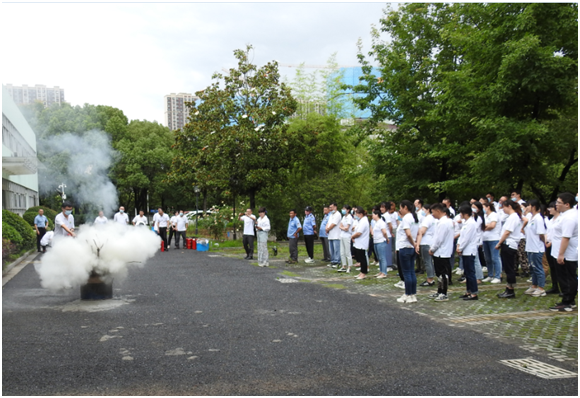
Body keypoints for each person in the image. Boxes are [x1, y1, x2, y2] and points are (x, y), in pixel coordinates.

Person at [550, 193, 578, 311]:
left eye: (559, 203)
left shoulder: (569, 217)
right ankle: (568, 299)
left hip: (567, 253)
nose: (556, 205)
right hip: (558, 251)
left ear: (567, 204)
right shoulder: (564, 215)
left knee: (567, 277)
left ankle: (568, 300)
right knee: (562, 277)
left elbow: (566, 237)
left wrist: (561, 254)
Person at [495, 200, 524, 298]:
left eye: (504, 207)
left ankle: (510, 290)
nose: (503, 209)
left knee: (509, 268)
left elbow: (507, 232)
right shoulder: (512, 217)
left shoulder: (513, 217)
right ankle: (508, 288)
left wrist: (499, 243)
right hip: (508, 244)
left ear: (509, 206)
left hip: (509, 244)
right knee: (507, 267)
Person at [428, 203, 454, 301]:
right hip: (442, 251)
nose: (432, 214)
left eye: (433, 212)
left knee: (443, 273)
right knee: (439, 273)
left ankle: (444, 293)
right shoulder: (447, 222)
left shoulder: (443, 223)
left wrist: (432, 248)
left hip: (442, 251)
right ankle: (439, 291)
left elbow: (439, 239)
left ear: (438, 211)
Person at [396, 200, 420, 303]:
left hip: (405, 247)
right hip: (412, 248)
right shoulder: (415, 217)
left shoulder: (406, 218)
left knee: (406, 273)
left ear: (405, 207)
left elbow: (408, 234)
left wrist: (414, 243)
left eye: (401, 208)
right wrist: (416, 245)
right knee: (411, 272)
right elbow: (418, 233)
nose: (400, 210)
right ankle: (412, 294)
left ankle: (408, 294)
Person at [523, 200, 547, 297]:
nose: (526, 208)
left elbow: (541, 234)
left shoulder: (538, 218)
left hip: (537, 247)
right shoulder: (531, 217)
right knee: (532, 268)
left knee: (538, 268)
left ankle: (541, 288)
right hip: (530, 247)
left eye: (528, 205)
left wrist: (543, 243)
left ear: (533, 206)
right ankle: (534, 285)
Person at [456, 205, 479, 300]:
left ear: (465, 213)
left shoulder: (471, 223)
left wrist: (460, 247)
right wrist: (458, 245)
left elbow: (467, 238)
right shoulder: (466, 223)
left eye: (461, 213)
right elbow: (461, 236)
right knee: (467, 272)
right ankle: (468, 291)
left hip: (469, 250)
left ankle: (474, 293)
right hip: (465, 250)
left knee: (470, 272)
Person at [481, 201, 502, 284]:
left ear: (488, 207)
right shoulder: (485, 216)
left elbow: (492, 226)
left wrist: (485, 227)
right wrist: (486, 226)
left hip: (494, 239)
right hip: (485, 239)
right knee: (488, 258)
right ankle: (490, 275)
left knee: (495, 258)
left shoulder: (494, 215)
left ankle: (498, 276)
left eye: (483, 207)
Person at [416, 204, 437, 286]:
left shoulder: (427, 219)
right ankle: (431, 277)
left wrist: (417, 241)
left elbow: (422, 231)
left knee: (427, 261)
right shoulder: (433, 218)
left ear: (428, 210)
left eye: (424, 210)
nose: (423, 212)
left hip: (425, 242)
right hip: (431, 241)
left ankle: (430, 279)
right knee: (430, 261)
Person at [544, 201, 561, 294]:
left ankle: (562, 287)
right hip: (549, 245)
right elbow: (547, 232)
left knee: (558, 268)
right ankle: (555, 286)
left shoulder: (560, 219)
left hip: (556, 245)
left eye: (551, 208)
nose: (549, 210)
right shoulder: (551, 220)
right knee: (552, 267)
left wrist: (550, 242)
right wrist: (546, 241)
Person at [351, 207, 370, 280]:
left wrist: (352, 236)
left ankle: (363, 273)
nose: (356, 215)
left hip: (362, 242)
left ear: (361, 214)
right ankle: (361, 272)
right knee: (360, 258)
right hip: (358, 242)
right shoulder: (361, 221)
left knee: (363, 259)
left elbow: (359, 233)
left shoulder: (364, 221)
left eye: (357, 214)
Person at [371, 210, 390, 278]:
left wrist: (387, 238)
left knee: (382, 257)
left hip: (381, 241)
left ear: (377, 215)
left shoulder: (381, 222)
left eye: (373, 214)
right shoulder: (376, 222)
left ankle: (384, 272)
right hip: (376, 241)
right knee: (379, 258)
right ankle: (381, 271)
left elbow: (384, 232)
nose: (372, 216)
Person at [338, 205, 354, 272]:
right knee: (342, 252)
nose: (343, 210)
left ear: (348, 210)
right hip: (342, 235)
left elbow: (347, 228)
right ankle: (343, 266)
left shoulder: (350, 217)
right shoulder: (344, 217)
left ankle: (349, 266)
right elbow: (340, 226)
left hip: (347, 236)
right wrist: (343, 228)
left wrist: (343, 228)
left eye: (344, 209)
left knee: (347, 252)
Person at [325, 202, 342, 268]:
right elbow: (328, 223)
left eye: (331, 207)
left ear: (335, 207)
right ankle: (332, 261)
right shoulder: (331, 215)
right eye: (330, 207)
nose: (330, 209)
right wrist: (326, 228)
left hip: (336, 235)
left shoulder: (338, 214)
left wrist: (328, 229)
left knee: (336, 249)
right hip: (330, 235)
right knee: (331, 249)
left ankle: (337, 261)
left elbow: (334, 224)